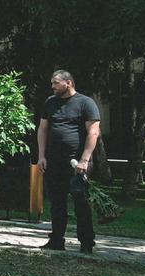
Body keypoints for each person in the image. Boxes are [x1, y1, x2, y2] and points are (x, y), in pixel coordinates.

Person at [37, 69, 101, 254]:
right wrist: (42, 155)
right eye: (52, 83)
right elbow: (42, 130)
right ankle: (57, 239)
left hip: (77, 163)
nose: (53, 86)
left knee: (81, 201)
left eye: (56, 83)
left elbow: (93, 132)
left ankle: (86, 242)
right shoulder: (50, 102)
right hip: (53, 161)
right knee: (57, 202)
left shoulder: (85, 103)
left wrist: (85, 160)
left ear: (69, 83)